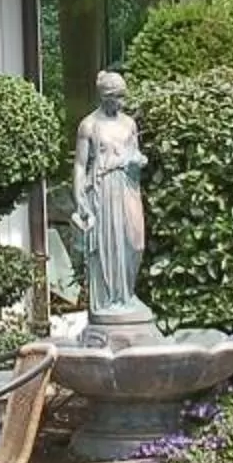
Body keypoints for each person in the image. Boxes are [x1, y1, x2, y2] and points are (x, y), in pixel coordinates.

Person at [68, 71, 148, 321]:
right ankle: (111, 300)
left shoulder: (129, 123)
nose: (122, 103)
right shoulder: (89, 125)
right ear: (105, 97)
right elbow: (80, 165)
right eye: (117, 97)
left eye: (123, 97)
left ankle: (127, 294)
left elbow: (134, 152)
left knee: (135, 242)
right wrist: (80, 199)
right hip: (103, 189)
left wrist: (138, 161)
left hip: (127, 186)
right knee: (108, 245)